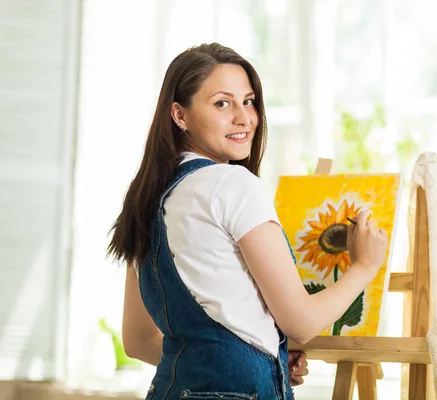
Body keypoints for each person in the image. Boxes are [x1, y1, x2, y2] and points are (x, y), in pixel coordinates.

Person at [107, 43, 388, 400]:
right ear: (180, 115)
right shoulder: (233, 184)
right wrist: (364, 265)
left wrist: (267, 357)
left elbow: (138, 341)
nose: (244, 117)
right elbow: (301, 324)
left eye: (249, 101)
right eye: (222, 103)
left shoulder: (145, 198)